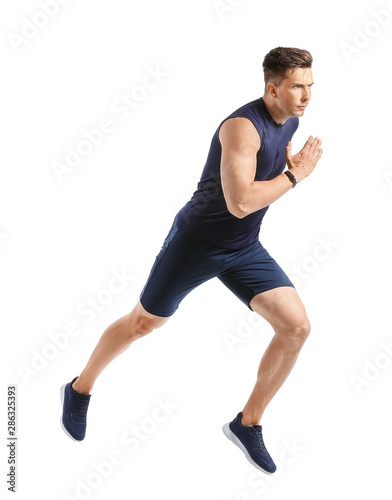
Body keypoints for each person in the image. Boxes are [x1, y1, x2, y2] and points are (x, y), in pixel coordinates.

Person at [60, 46, 323, 475]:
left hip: (243, 249)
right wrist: (294, 176)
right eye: (298, 87)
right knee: (142, 324)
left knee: (296, 328)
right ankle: (79, 389)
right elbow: (240, 203)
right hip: (196, 243)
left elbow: (254, 199)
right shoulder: (242, 128)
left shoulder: (291, 119)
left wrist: (285, 168)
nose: (307, 96)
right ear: (272, 88)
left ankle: (247, 423)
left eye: (310, 86)